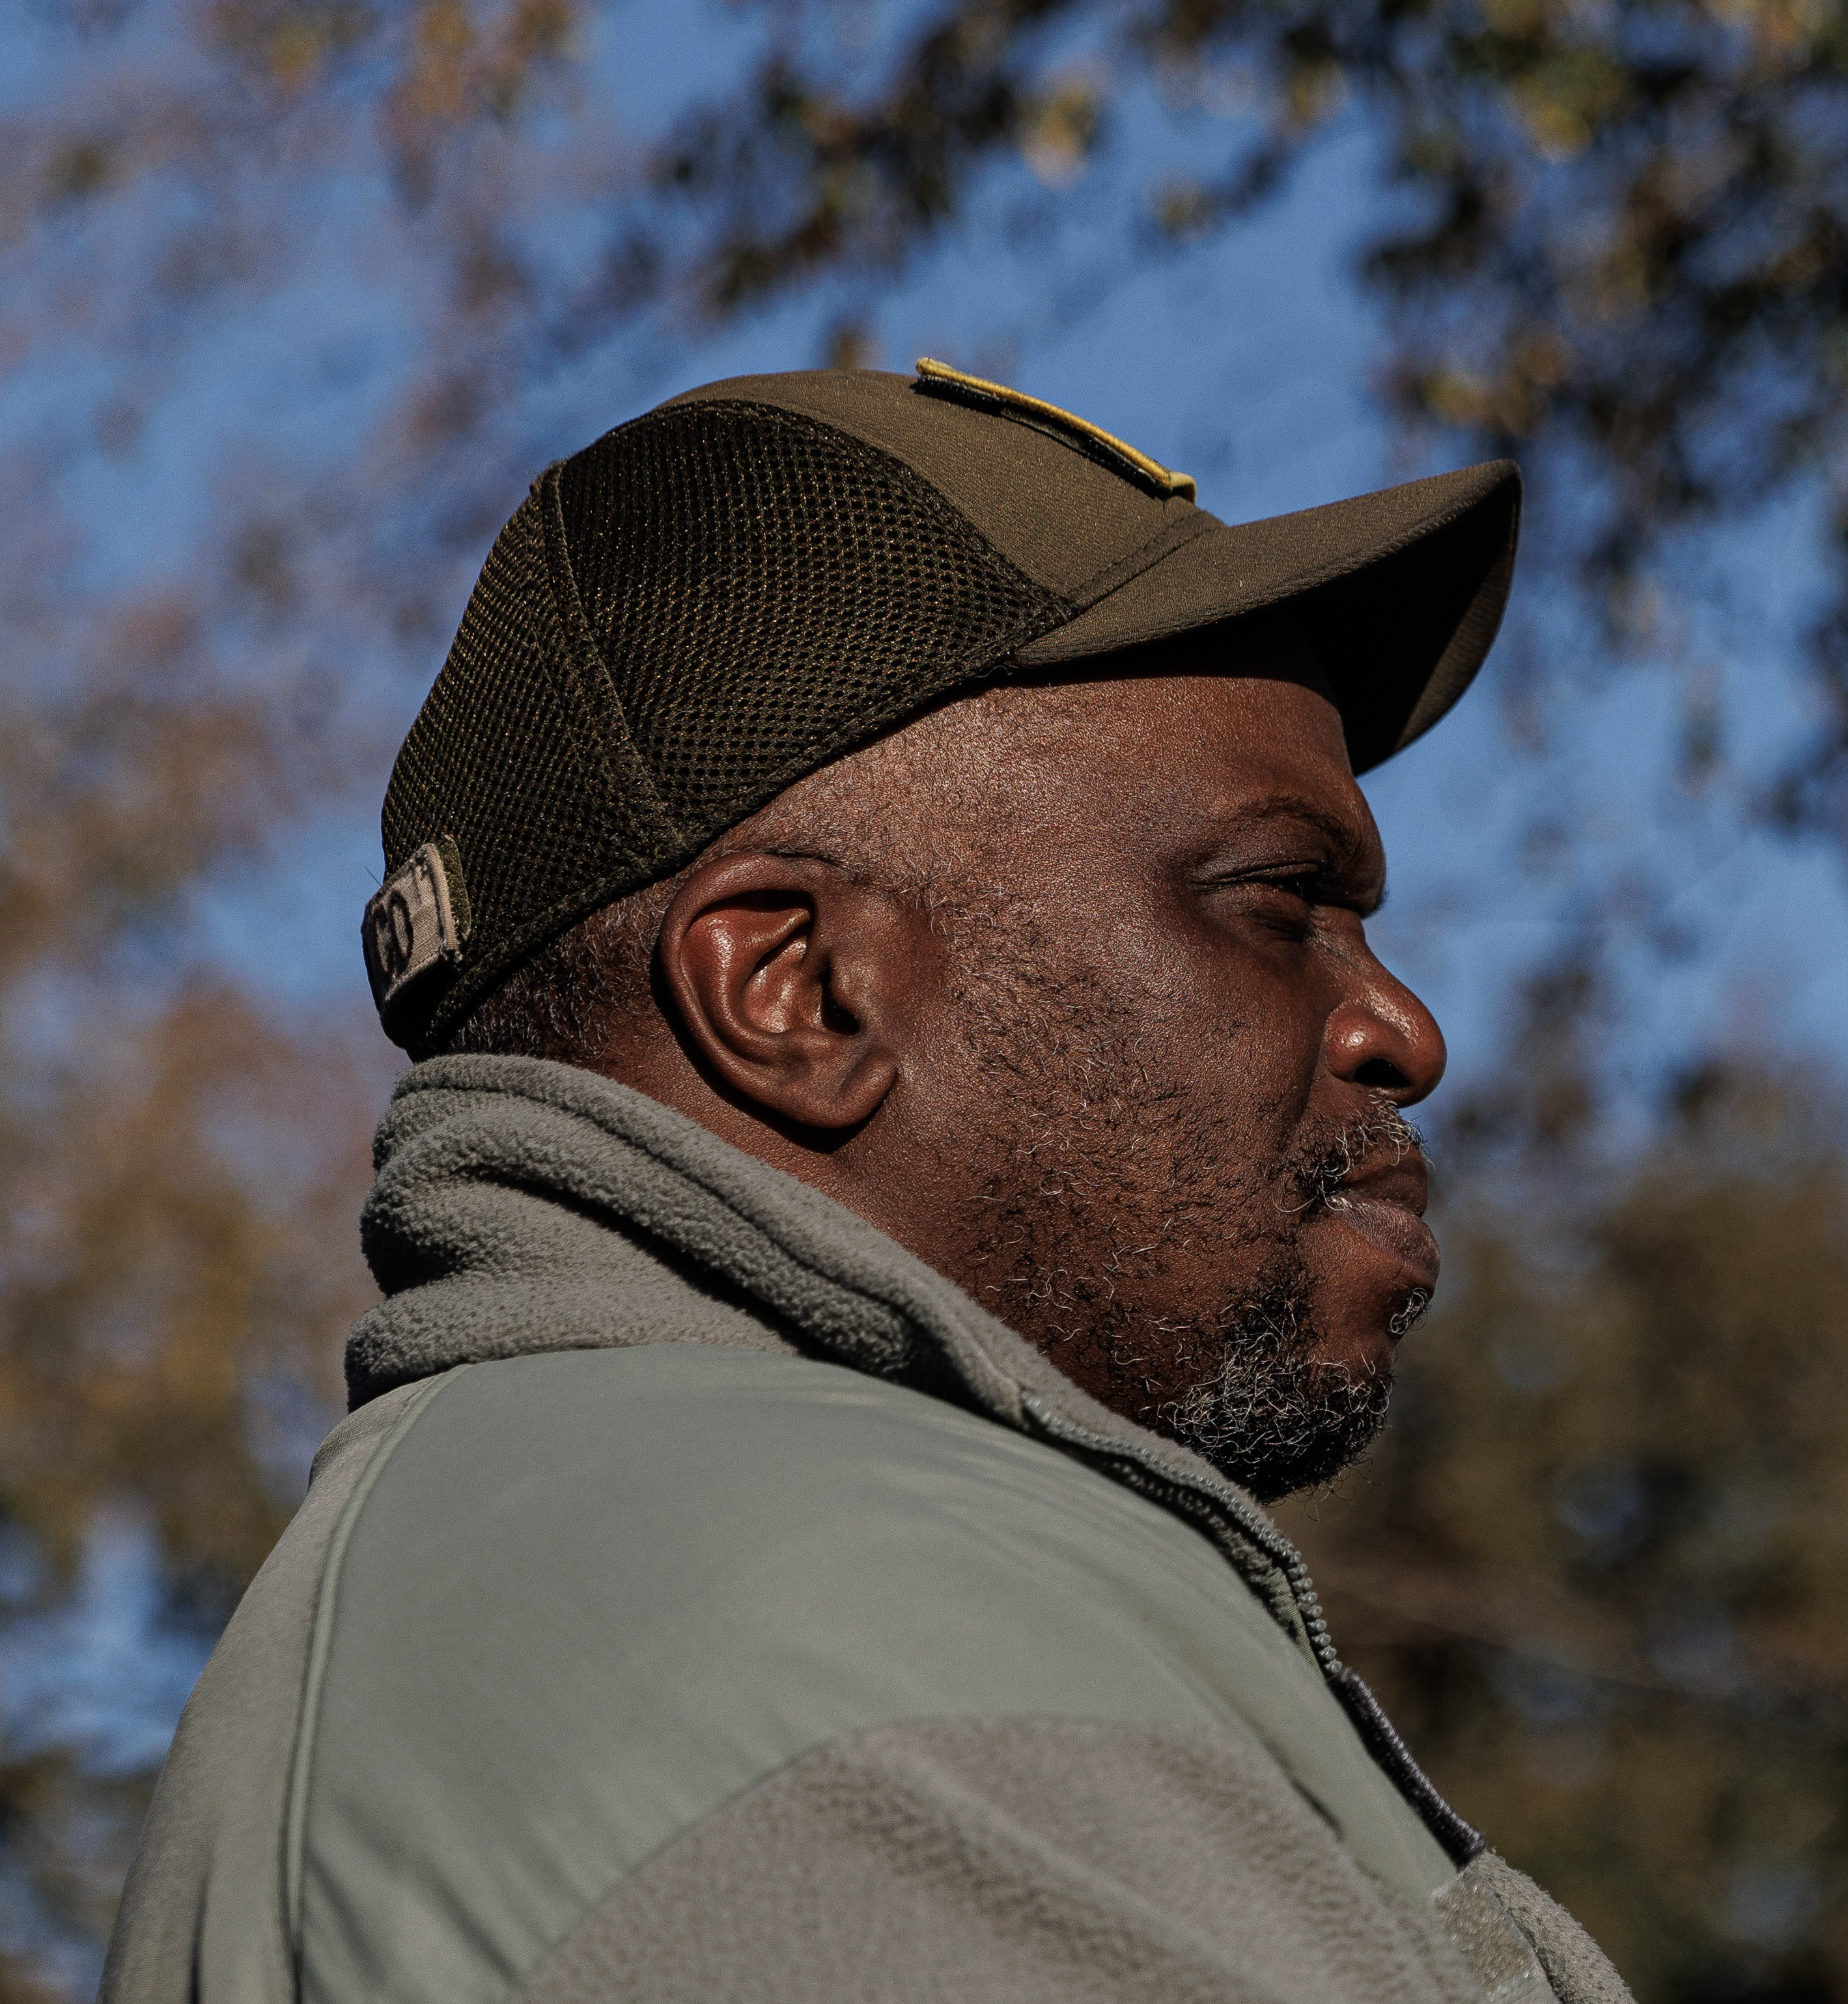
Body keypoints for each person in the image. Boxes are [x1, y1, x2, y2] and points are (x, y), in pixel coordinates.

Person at [100, 361, 1631, 2003]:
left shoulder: (605, 1568)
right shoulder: (801, 1627)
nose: (1403, 1027)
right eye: (1277, 899)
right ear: (802, 992)